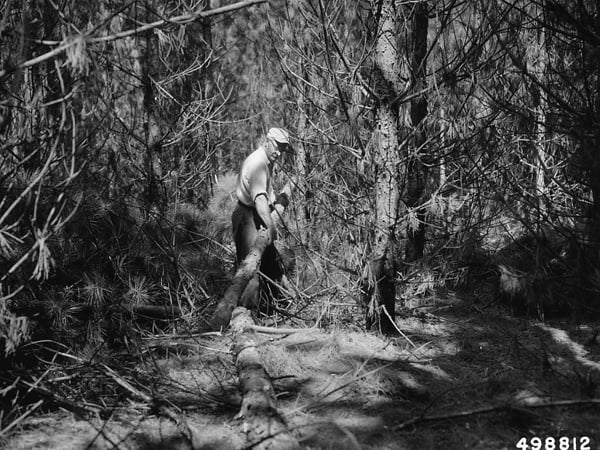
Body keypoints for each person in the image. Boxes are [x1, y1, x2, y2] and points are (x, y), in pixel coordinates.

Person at [231, 127, 291, 309]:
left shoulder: (265, 160)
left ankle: (269, 309)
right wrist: (271, 228)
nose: (279, 152)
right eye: (277, 146)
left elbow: (266, 196)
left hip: (254, 213)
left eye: (282, 149)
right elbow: (260, 202)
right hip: (247, 217)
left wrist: (277, 201)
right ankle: (244, 316)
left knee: (270, 262)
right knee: (250, 271)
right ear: (267, 140)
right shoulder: (258, 164)